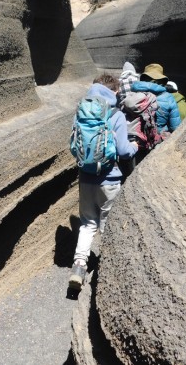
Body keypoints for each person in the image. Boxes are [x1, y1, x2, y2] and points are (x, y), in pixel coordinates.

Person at [69, 74, 138, 290]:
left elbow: (74, 145)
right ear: (115, 91)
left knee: (88, 224)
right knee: (108, 224)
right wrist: (136, 146)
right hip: (109, 180)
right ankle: (108, 269)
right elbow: (124, 151)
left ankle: (79, 267)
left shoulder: (81, 112)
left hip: (86, 179)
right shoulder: (116, 114)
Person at [131, 63, 181, 136]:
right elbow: (175, 128)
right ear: (161, 80)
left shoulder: (132, 93)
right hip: (158, 141)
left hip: (136, 140)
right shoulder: (168, 98)